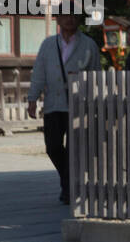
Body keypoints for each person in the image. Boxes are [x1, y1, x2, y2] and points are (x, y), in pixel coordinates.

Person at [26, 11, 101, 204]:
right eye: (65, 16)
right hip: (54, 103)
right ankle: (67, 180)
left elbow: (96, 75)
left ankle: (69, 189)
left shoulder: (89, 45)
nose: (70, 19)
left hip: (79, 104)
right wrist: (32, 98)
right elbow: (39, 73)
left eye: (74, 16)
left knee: (74, 149)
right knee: (53, 146)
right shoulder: (48, 44)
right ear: (57, 19)